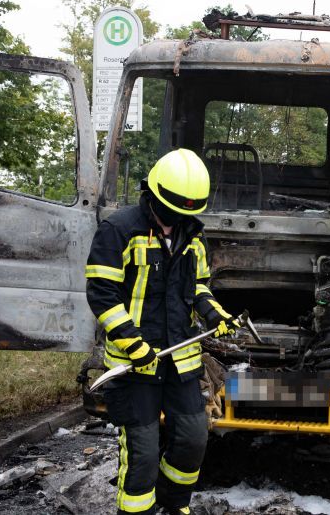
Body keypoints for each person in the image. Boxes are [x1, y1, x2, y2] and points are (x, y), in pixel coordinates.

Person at [86, 149, 233, 515]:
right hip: (135, 368)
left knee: (193, 440)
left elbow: (197, 286)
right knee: (143, 455)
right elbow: (102, 295)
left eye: (187, 213)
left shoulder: (192, 237)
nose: (179, 219)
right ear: (154, 195)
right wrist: (133, 344)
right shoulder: (119, 231)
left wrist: (215, 315)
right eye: (174, 211)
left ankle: (173, 504)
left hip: (179, 365)